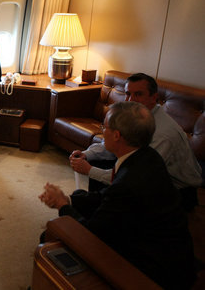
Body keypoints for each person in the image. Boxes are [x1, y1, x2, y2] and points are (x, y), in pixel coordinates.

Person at [39, 101, 196, 289]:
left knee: (49, 236)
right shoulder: (147, 156)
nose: (102, 129)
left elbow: (91, 236)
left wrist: (62, 205)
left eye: (104, 125)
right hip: (168, 249)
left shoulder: (129, 184)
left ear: (116, 135)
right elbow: (108, 194)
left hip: (153, 270)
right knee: (80, 196)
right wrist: (71, 199)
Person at [70, 73, 202, 211]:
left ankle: (104, 217)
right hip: (148, 174)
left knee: (101, 175)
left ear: (154, 97)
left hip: (177, 189)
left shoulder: (162, 134)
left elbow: (137, 175)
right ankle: (101, 211)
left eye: (138, 94)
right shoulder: (135, 116)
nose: (130, 100)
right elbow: (113, 145)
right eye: (127, 94)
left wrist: (89, 170)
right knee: (97, 163)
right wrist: (86, 155)